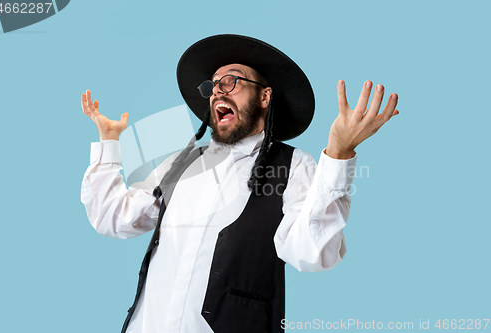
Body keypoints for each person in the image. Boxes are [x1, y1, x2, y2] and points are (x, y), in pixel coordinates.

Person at [81, 34, 399, 333]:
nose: (218, 90)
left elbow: (314, 252)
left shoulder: (293, 166)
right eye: (214, 84)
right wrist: (108, 140)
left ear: (264, 96)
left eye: (231, 80)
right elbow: (113, 218)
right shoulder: (181, 164)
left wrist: (339, 154)